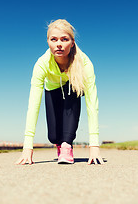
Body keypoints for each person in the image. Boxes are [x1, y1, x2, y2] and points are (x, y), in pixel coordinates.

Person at [15, 19, 104, 165]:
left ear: (72, 42)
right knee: (53, 136)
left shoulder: (84, 62)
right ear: (48, 42)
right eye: (54, 39)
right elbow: (33, 106)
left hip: (72, 87)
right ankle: (59, 143)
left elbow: (92, 104)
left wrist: (94, 145)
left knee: (73, 92)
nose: (59, 44)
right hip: (53, 89)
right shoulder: (41, 64)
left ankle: (66, 146)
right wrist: (27, 147)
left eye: (64, 39)